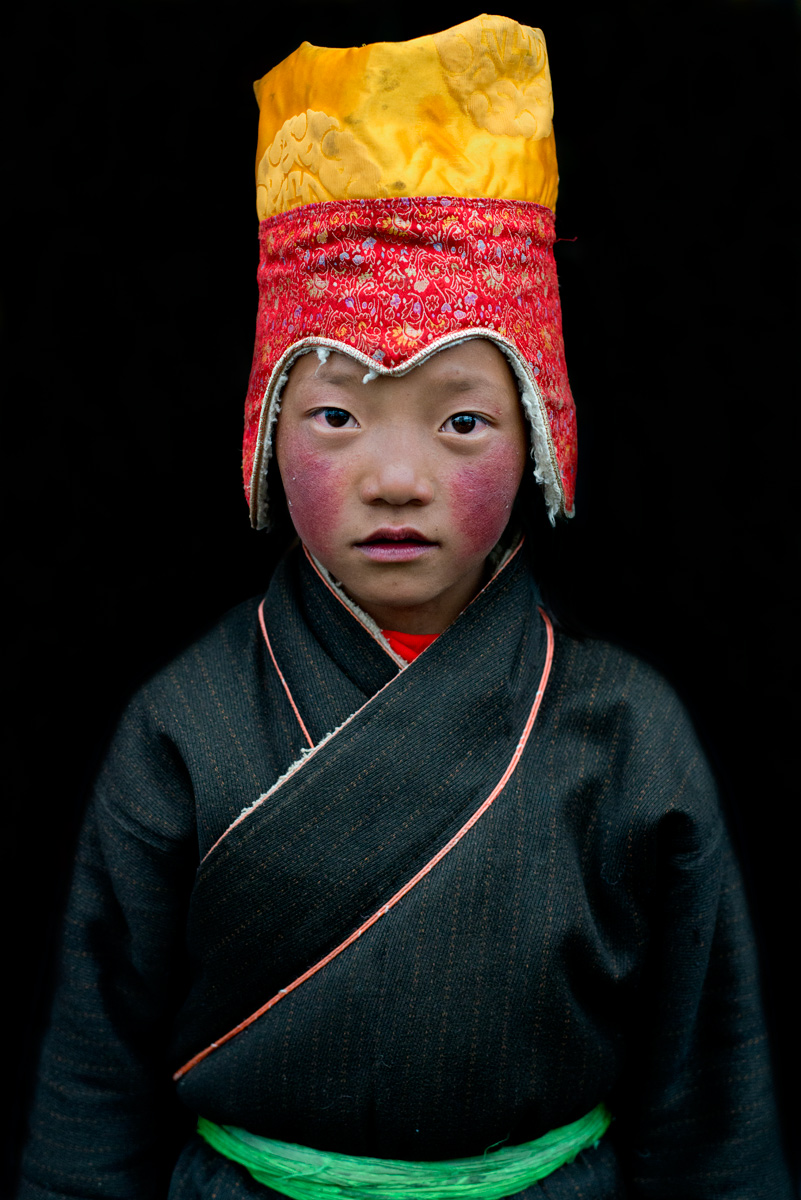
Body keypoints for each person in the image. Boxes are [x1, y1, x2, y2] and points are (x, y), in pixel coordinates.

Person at [17, 15, 793, 1199]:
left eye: (461, 420)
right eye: (337, 413)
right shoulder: (184, 727)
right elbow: (93, 1071)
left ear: (542, 431)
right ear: (266, 427)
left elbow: (710, 1087)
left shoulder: (623, 729)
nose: (396, 476)